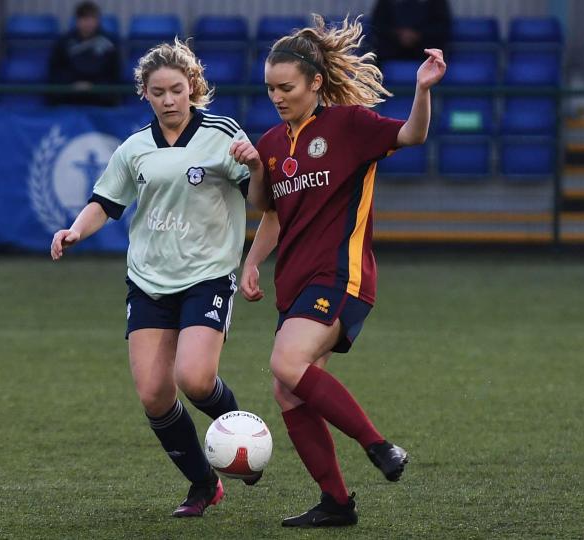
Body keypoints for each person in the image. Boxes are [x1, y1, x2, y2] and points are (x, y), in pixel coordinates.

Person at [239, 15, 445, 527]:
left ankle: (380, 447)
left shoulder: (349, 125)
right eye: (270, 88)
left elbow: (412, 136)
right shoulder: (269, 142)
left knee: (286, 363)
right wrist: (250, 262)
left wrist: (422, 91)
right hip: (295, 282)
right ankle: (336, 502)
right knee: (287, 389)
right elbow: (269, 212)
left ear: (314, 83)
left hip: (340, 274)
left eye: (286, 87)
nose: (277, 96)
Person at [50, 38, 261, 517]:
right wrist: (76, 230)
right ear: (144, 93)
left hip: (207, 275)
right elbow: (106, 202)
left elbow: (262, 199)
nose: (168, 99)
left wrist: (256, 166)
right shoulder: (134, 149)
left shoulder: (222, 134)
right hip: (148, 279)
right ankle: (204, 484)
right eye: (158, 91)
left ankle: (243, 435)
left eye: (177, 90)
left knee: (195, 377)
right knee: (153, 394)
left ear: (194, 89)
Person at [48, 1, 120, 107]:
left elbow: (114, 73)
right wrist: (73, 85)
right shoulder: (64, 42)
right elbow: (56, 70)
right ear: (77, 20)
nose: (88, 23)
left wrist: (94, 86)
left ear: (98, 20)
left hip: (100, 97)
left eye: (92, 18)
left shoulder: (110, 43)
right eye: (84, 18)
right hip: (70, 95)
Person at [371, 0, 452, 63]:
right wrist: (398, 33)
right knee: (373, 54)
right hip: (392, 43)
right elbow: (378, 24)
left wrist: (418, 34)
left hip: (424, 44)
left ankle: (432, 83)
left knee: (436, 54)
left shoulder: (437, 2)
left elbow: (442, 25)